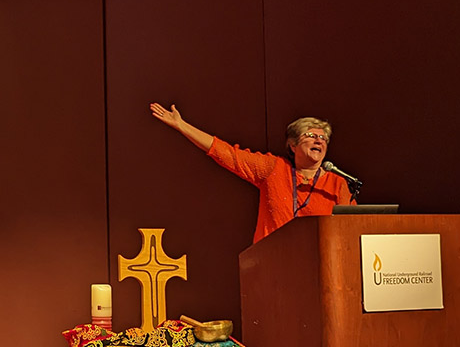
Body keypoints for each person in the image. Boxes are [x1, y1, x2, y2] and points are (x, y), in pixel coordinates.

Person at [149, 102, 354, 243]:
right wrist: (182, 125)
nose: (319, 140)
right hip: (275, 263)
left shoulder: (338, 184)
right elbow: (226, 153)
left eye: (323, 138)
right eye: (311, 135)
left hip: (319, 265)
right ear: (292, 145)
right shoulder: (273, 169)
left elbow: (352, 229)